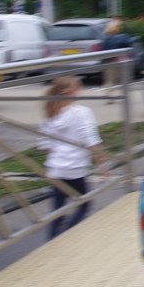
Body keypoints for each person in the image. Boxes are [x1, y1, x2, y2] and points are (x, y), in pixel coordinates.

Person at [38, 77, 104, 236]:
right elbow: (91, 139)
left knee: (57, 212)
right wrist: (102, 165)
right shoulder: (82, 112)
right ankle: (69, 235)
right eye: (77, 88)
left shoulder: (51, 113)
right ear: (70, 92)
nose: (79, 91)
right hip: (75, 169)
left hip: (55, 170)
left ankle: (53, 242)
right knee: (84, 204)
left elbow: (44, 145)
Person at [100, 19, 132, 100]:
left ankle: (109, 96)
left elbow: (103, 49)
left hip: (108, 61)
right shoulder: (121, 37)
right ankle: (124, 96)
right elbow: (128, 44)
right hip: (119, 60)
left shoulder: (106, 37)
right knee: (122, 79)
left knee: (109, 80)